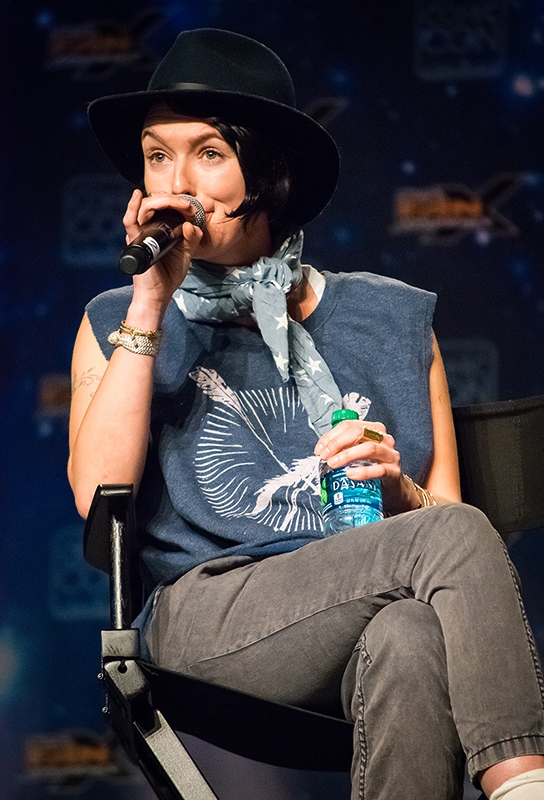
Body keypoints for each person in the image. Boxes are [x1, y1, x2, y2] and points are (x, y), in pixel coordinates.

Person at [68, 28, 544, 800]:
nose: (175, 182)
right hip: (206, 620)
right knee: (452, 538)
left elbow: (442, 514)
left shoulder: (392, 319)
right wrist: (151, 304)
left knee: (411, 635)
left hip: (360, 610)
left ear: (273, 174)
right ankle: (524, 785)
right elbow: (98, 499)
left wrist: (400, 493)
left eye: (208, 153)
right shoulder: (117, 319)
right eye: (157, 156)